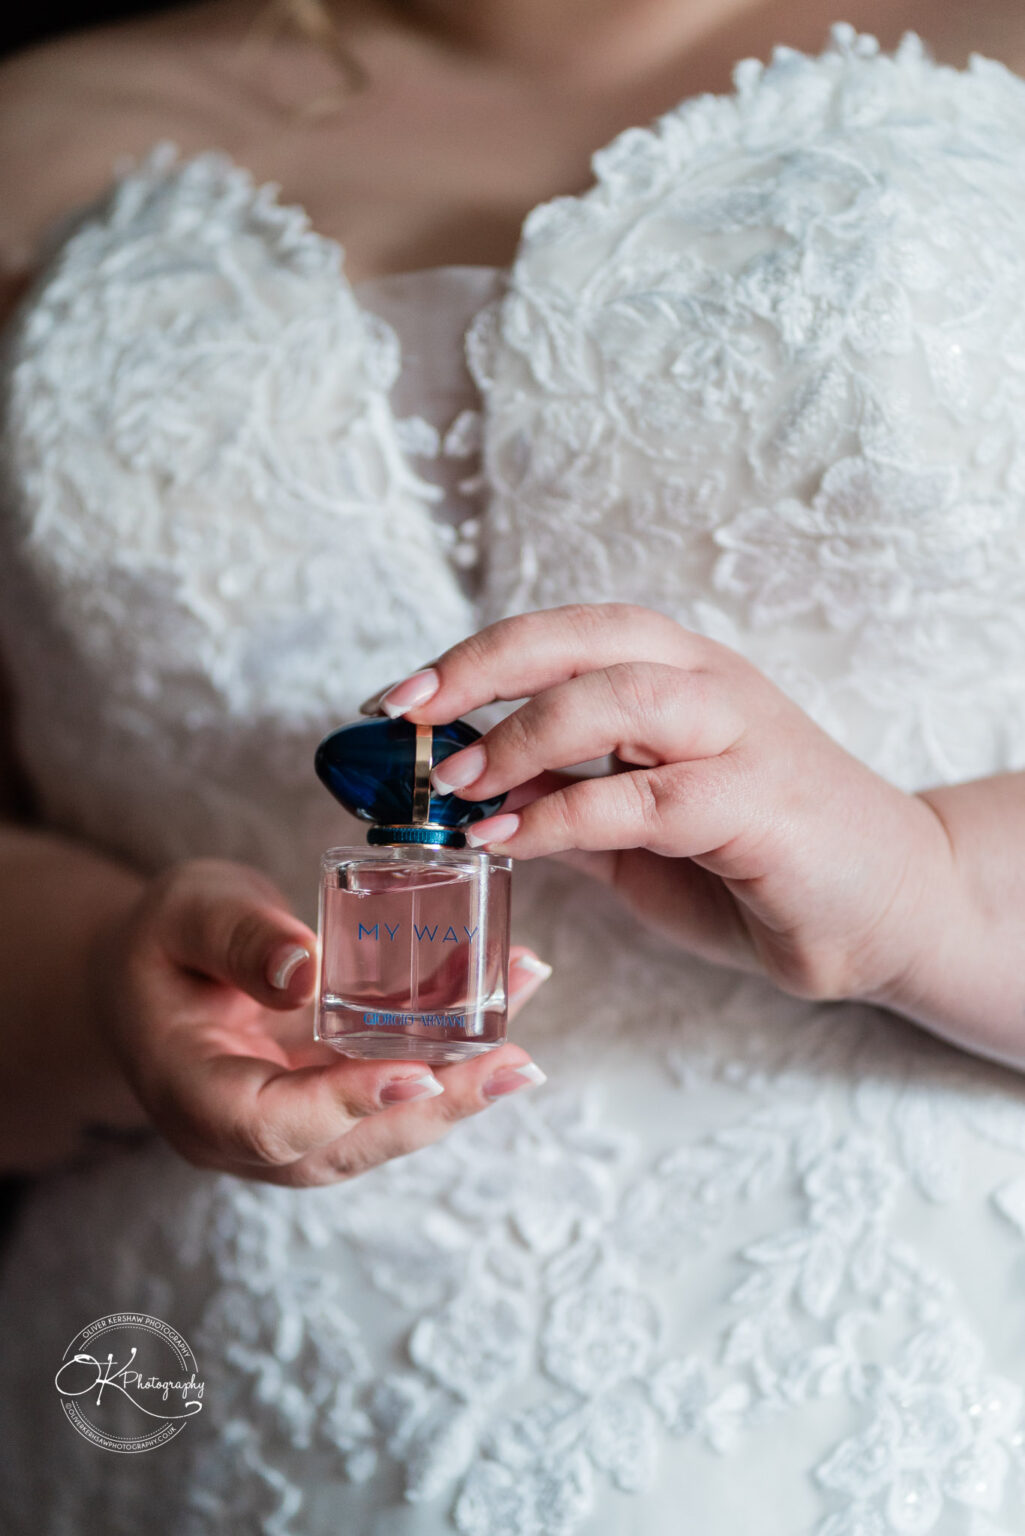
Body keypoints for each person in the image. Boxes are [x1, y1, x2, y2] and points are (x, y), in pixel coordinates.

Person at [0, 1, 1024, 1530]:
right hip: (201, 1408)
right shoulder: (33, 136)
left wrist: (927, 889)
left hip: (905, 1392)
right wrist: (105, 976)